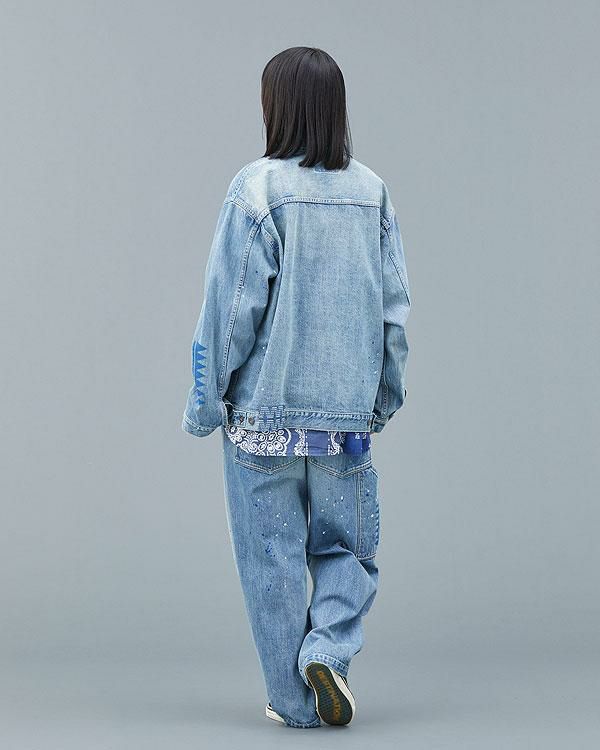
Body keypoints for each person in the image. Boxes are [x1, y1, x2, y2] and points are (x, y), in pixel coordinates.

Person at [182, 46, 410, 728]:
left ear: (275, 107)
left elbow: (230, 310)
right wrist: (381, 400)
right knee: (347, 548)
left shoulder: (256, 190)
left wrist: (205, 402)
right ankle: (329, 651)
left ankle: (293, 703)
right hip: (343, 420)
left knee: (271, 559)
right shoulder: (372, 192)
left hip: (263, 422)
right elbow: (393, 312)